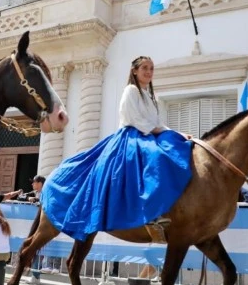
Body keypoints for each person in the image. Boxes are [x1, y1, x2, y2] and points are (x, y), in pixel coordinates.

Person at [39, 56, 194, 242]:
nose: (148, 71)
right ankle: (152, 212)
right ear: (135, 70)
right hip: (132, 135)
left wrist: (177, 133)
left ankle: (165, 206)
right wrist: (160, 131)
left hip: (148, 133)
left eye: (151, 68)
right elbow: (136, 120)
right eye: (144, 67)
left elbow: (157, 123)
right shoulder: (131, 90)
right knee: (155, 156)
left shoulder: (149, 96)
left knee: (173, 145)